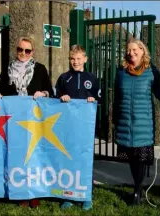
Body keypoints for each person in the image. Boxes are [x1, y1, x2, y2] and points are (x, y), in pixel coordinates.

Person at [0, 37, 53, 208]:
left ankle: (34, 193)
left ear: (32, 52)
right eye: (20, 49)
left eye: (27, 50)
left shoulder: (40, 69)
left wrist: (43, 93)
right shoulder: (8, 69)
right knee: (19, 155)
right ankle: (20, 192)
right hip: (15, 121)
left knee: (34, 155)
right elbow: (2, 91)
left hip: (34, 119)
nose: (23, 53)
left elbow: (50, 91)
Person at [113, 38, 160, 205]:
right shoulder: (121, 72)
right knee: (133, 159)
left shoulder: (151, 71)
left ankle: (137, 191)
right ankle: (138, 188)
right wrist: (115, 119)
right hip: (125, 122)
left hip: (144, 123)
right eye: (129, 50)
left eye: (135, 50)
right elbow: (117, 97)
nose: (131, 53)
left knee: (141, 158)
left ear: (143, 51)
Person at [54, 44, 99, 210]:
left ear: (85, 59)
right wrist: (61, 97)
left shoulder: (92, 78)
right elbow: (55, 96)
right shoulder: (64, 78)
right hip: (68, 126)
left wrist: (94, 100)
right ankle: (68, 195)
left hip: (86, 128)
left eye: (79, 58)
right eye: (73, 59)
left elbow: (99, 98)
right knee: (68, 158)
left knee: (86, 160)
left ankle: (87, 195)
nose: (76, 62)